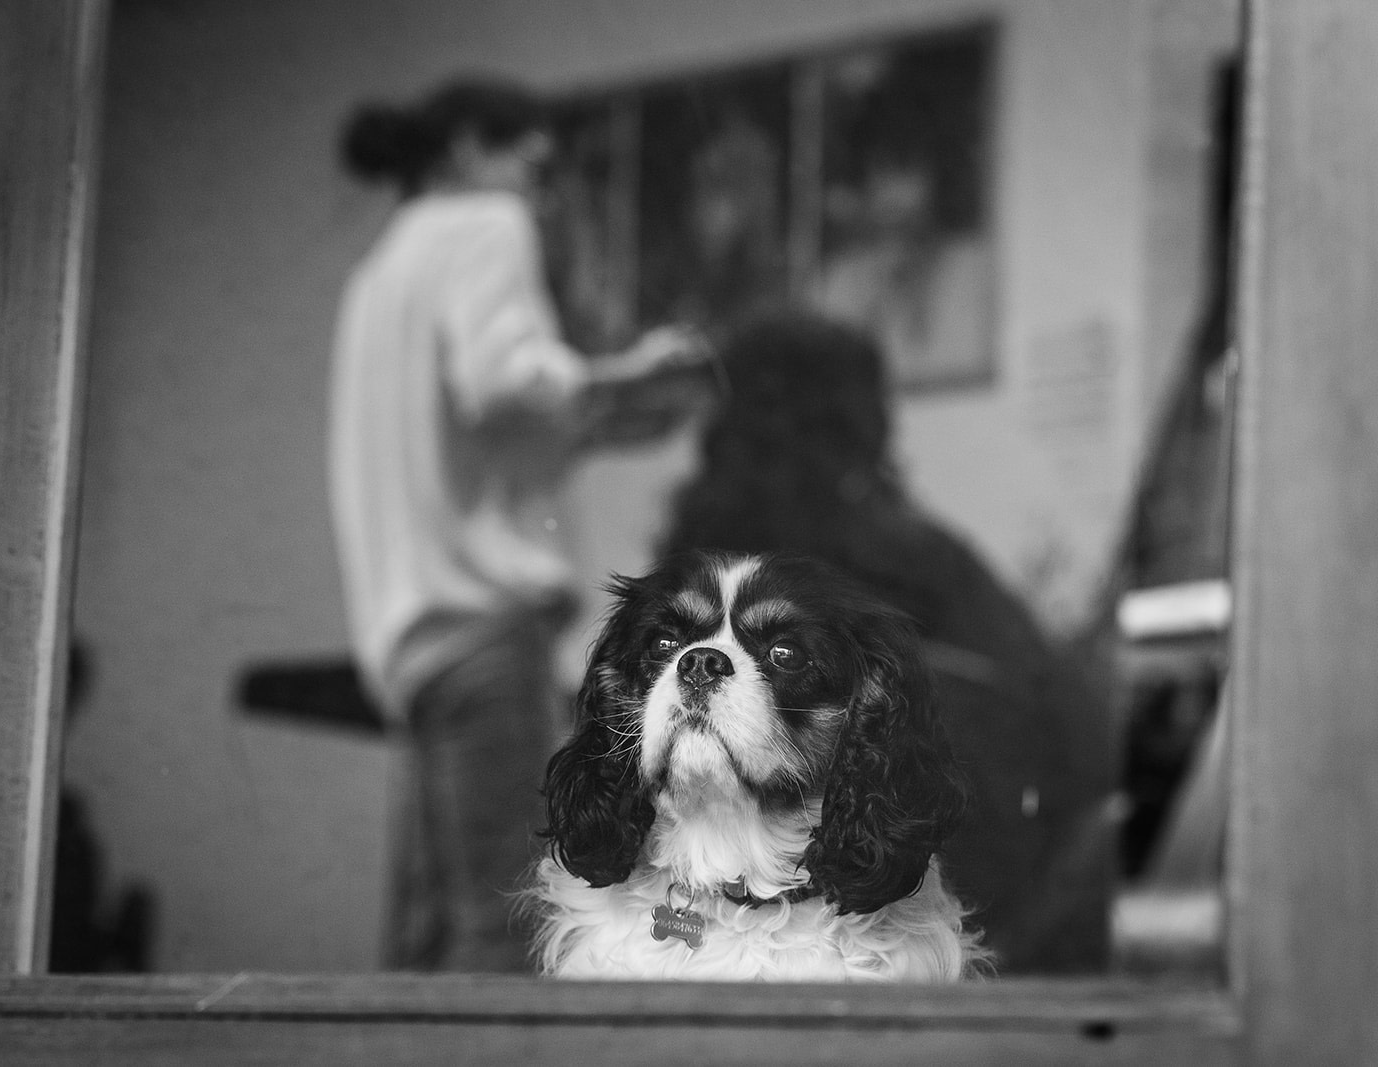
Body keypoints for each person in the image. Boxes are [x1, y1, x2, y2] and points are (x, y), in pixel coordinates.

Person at [326, 78, 709, 972]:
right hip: (487, 642)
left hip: (417, 646)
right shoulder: (482, 226)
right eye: (532, 168)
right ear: (467, 152)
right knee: (507, 932)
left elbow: (479, 435)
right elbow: (505, 377)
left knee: (431, 942)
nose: (538, 198)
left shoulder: (379, 276)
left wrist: (599, 409)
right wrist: (631, 375)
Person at [660, 312, 1114, 973]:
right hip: (940, 930)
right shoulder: (915, 558)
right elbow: (1084, 747)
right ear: (865, 419)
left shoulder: (691, 578)